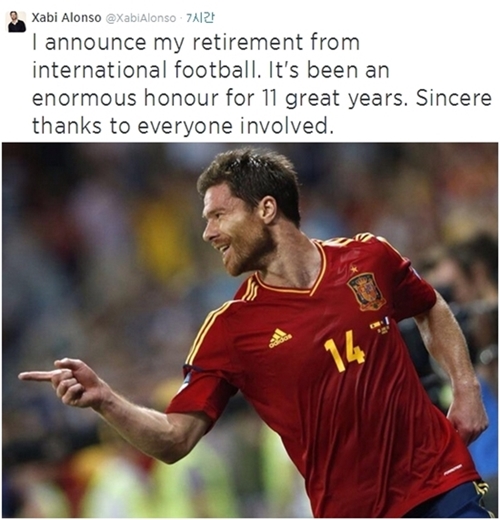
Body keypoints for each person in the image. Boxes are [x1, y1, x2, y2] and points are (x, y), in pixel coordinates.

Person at [19, 148, 491, 518]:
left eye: (218, 215)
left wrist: (466, 389)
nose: (208, 233)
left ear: (266, 208)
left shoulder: (368, 258)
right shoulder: (229, 329)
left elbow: (432, 307)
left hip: (441, 483)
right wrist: (105, 399)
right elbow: (175, 439)